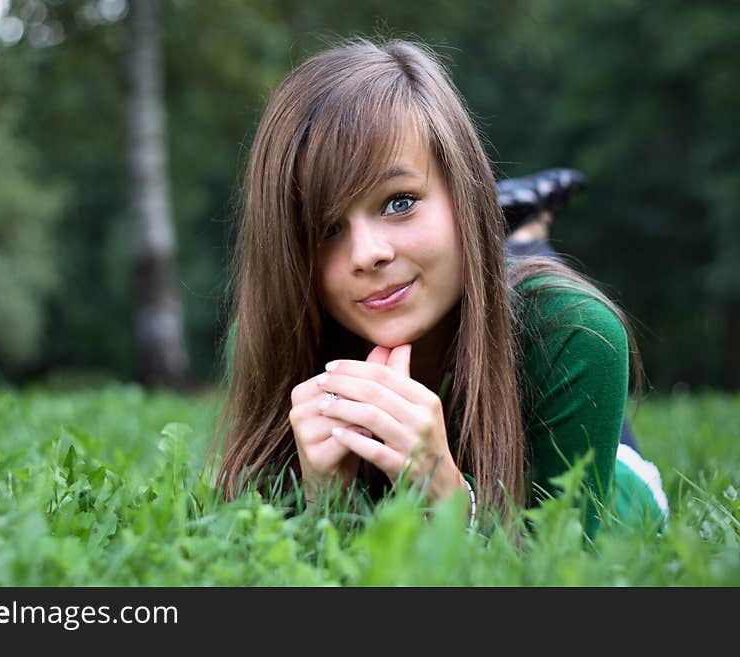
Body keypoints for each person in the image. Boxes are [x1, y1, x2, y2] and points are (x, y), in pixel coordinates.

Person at [214, 38, 668, 539]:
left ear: (464, 190)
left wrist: (449, 497)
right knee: (484, 272)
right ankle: (512, 229)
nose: (368, 253)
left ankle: (524, 235)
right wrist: (327, 502)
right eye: (326, 230)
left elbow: (563, 565)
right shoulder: (270, 340)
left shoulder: (576, 333)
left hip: (613, 480)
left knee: (526, 290)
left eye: (399, 201)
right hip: (461, 271)